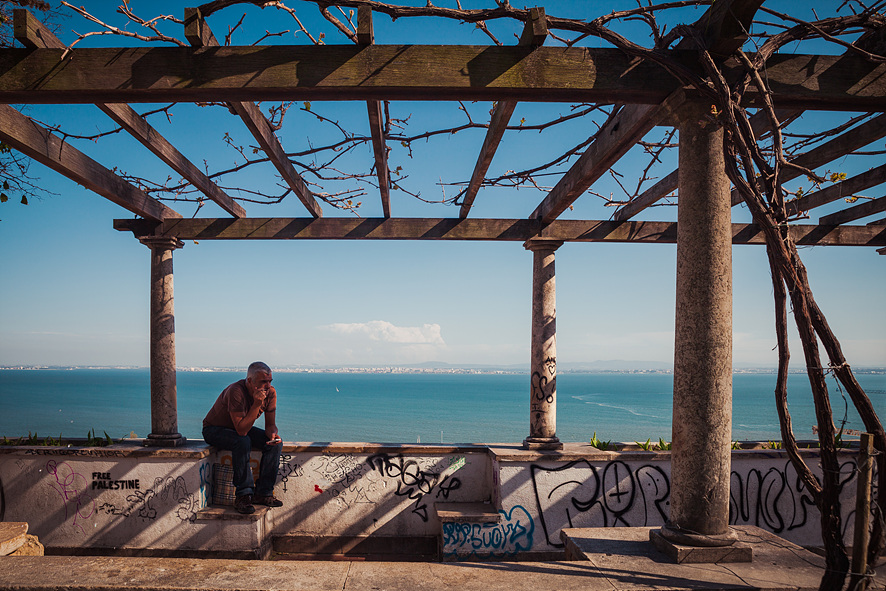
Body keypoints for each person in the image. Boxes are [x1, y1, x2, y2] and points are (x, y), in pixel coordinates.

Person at [203, 361, 284, 514]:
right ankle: (243, 495)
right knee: (242, 440)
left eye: (269, 381)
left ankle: (263, 493)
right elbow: (241, 431)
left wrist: (272, 434)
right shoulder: (236, 391)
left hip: (240, 427)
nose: (267, 385)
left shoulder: (271, 393)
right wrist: (256, 404)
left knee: (275, 444)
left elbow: (270, 425)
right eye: (263, 382)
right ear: (249, 381)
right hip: (214, 429)